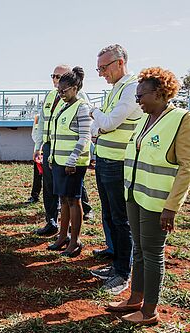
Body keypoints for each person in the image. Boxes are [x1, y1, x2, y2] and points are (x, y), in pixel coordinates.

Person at [107, 67, 190, 325]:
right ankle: (135, 298)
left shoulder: (181, 120)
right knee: (140, 251)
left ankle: (149, 311)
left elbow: (187, 167)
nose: (137, 100)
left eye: (141, 95)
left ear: (159, 92)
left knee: (153, 253)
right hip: (135, 196)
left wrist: (171, 206)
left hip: (158, 202)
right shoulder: (144, 120)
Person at [89, 44, 143, 295]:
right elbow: (97, 129)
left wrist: (95, 112)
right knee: (110, 214)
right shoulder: (115, 90)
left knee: (121, 219)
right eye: (98, 68)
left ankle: (123, 272)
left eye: (104, 67)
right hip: (104, 159)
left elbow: (108, 123)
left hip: (118, 162)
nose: (101, 73)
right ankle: (116, 262)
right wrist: (100, 125)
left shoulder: (131, 88)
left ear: (119, 62)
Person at [33, 65, 93, 236]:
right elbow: (43, 123)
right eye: (53, 76)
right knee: (51, 187)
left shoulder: (79, 100)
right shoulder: (51, 96)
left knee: (73, 194)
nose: (55, 80)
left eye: (59, 77)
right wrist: (39, 146)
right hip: (51, 147)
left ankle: (73, 234)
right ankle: (52, 222)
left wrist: (74, 157)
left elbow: (84, 132)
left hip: (70, 153)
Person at [47, 67, 92, 257]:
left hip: (73, 165)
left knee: (74, 200)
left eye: (64, 91)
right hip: (59, 161)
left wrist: (73, 158)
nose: (61, 94)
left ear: (74, 88)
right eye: (59, 91)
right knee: (63, 200)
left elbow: (85, 136)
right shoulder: (65, 106)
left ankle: (75, 241)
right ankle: (62, 236)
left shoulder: (82, 107)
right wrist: (52, 157)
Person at [25, 113, 42, 204]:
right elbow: (34, 136)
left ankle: (56, 200)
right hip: (39, 153)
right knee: (37, 176)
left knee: (52, 179)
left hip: (51, 153)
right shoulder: (38, 117)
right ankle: (34, 195)